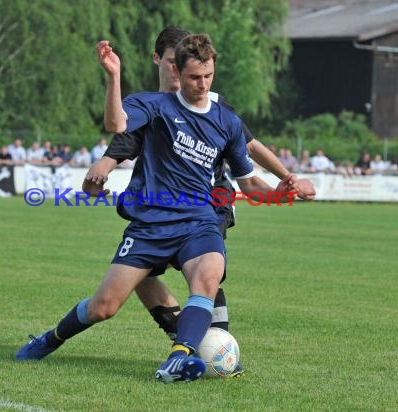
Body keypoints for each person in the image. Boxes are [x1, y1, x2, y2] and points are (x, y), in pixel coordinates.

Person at [16, 34, 299, 384]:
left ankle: (178, 358)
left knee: (208, 276)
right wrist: (113, 77)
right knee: (103, 307)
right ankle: (50, 339)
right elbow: (116, 125)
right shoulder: (154, 107)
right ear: (178, 72)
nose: (202, 84)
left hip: (199, 220)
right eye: (195, 77)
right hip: (151, 224)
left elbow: (250, 184)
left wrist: (283, 193)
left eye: (208, 76)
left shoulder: (226, 120)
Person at [82, 25, 315, 375]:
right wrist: (105, 161)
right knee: (142, 278)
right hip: (156, 205)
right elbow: (126, 135)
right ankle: (189, 341)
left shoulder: (217, 108)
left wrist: (287, 179)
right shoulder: (153, 105)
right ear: (160, 61)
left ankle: (215, 341)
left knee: (206, 270)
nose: (188, 75)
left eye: (199, 70)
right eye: (176, 62)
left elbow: (251, 148)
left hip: (210, 199)